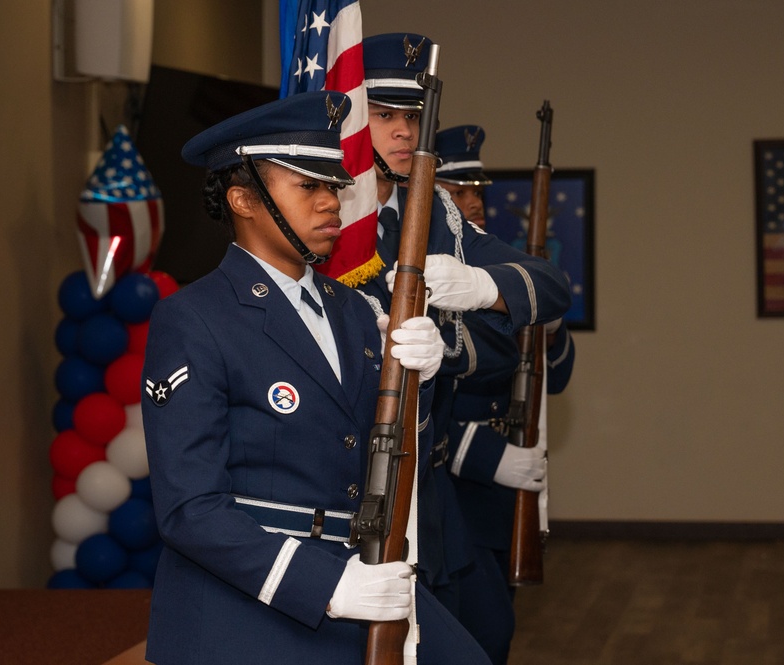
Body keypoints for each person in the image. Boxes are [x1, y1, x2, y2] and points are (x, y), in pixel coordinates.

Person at [141, 91, 491, 665]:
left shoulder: (353, 310)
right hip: (254, 591)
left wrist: (417, 389)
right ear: (243, 200)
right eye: (309, 186)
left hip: (360, 573)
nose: (332, 201)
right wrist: (324, 585)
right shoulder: (194, 319)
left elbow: (396, 460)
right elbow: (189, 508)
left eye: (332, 185)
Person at [356, 33, 573, 618]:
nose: (405, 130)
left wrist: (484, 287)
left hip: (426, 481)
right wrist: (464, 338)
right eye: (385, 115)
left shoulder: (432, 213)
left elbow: (548, 288)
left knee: (486, 632)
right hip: (353, 479)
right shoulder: (333, 222)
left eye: (413, 116)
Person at [434, 124, 577, 664]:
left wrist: (552, 331)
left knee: (496, 632)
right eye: (458, 191)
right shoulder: (429, 274)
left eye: (477, 192)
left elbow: (554, 380)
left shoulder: (501, 277)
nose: (473, 203)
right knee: (482, 634)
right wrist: (488, 457)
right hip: (450, 485)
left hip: (499, 498)